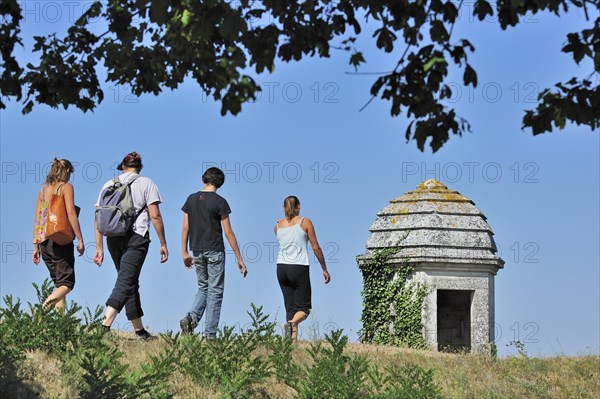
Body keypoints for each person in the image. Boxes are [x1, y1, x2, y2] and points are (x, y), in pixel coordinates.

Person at [93, 152, 168, 341]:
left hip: (112, 237)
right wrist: (163, 243)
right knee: (125, 281)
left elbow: (98, 217)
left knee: (128, 280)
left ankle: (140, 331)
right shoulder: (146, 183)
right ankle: (104, 327)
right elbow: (155, 215)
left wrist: (99, 247)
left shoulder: (108, 184)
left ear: (123, 166)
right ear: (140, 167)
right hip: (136, 236)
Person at [180, 167, 247, 338]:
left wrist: (184, 253)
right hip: (215, 251)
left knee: (203, 287)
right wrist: (239, 257)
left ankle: (191, 318)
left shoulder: (191, 199)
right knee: (215, 291)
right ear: (220, 183)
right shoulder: (220, 202)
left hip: (196, 250)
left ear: (204, 179)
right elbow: (228, 232)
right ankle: (209, 335)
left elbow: (185, 228)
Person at [275, 195, 330, 342]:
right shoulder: (305, 222)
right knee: (305, 309)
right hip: (298, 267)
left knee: (291, 307)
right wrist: (324, 269)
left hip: (281, 268)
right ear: (298, 206)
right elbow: (316, 247)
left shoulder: (278, 226)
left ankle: (292, 343)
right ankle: (291, 324)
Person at [32, 158, 85, 310]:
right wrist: (80, 239)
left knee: (59, 284)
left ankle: (61, 325)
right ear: (67, 170)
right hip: (60, 239)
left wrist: (35, 247)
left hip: (44, 242)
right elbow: (71, 214)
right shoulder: (66, 187)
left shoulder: (42, 191)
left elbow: (38, 219)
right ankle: (41, 311)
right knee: (67, 284)